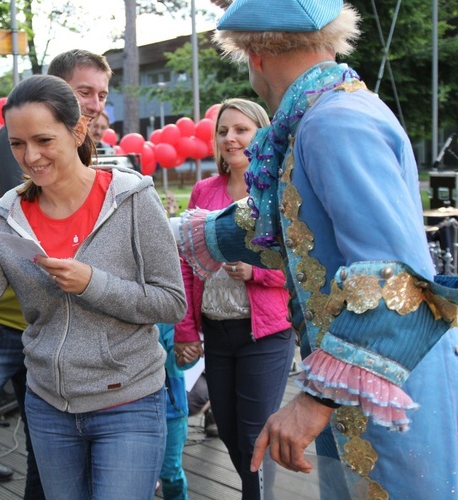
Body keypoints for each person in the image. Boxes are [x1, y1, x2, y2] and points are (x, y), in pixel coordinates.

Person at [175, 1, 458, 497]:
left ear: (254, 55)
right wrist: (174, 232)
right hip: (354, 385)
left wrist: (313, 401)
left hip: (383, 391)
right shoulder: (329, 112)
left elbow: (398, 281)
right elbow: (290, 227)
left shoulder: (334, 122)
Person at [0, 74, 187, 500]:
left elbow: (172, 302)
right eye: (17, 143)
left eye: (44, 140)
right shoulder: (5, 216)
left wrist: (92, 283)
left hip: (128, 403)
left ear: (78, 130)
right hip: (49, 407)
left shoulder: (132, 198)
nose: (30, 156)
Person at [0, 49, 112, 492]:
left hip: (45, 326)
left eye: (101, 94)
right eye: (83, 92)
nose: (95, 104)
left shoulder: (86, 154)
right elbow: (43, 218)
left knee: (48, 452)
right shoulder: (17, 144)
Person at [175, 98, 294, 499]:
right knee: (227, 429)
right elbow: (187, 262)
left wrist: (255, 272)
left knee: (254, 433)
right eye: (223, 131)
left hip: (266, 332)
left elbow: (303, 263)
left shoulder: (277, 190)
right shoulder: (203, 190)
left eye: (241, 130)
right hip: (215, 328)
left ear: (260, 133)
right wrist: (186, 329)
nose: (230, 138)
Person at [157, 323, 196, 500]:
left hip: (171, 409)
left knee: (170, 472)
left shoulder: (166, 313)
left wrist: (187, 354)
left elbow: (181, 358)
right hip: (130, 406)